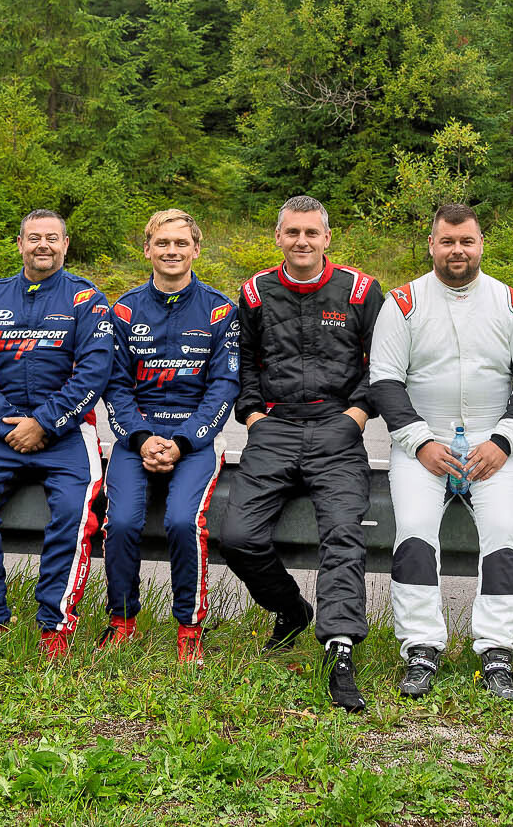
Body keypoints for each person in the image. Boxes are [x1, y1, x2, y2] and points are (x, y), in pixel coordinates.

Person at [369, 204, 513, 702]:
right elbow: (384, 379)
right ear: (431, 244)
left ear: (481, 244)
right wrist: (420, 442)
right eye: (447, 241)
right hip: (423, 444)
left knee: (504, 535)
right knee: (414, 532)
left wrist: (504, 441)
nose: (457, 251)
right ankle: (421, 647)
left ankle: (499, 650)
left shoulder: (512, 303)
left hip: (493, 444)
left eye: (466, 241)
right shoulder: (403, 302)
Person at [214, 195, 385, 714]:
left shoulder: (360, 290)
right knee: (237, 537)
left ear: (327, 237)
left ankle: (340, 649)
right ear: (278, 237)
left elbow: (384, 362)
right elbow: (244, 360)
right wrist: (252, 416)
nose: (302, 241)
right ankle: (291, 609)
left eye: (312, 232)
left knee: (342, 534)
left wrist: (357, 414)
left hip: (337, 429)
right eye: (293, 232)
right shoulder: (255, 291)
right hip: (276, 428)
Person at [0, 210, 115, 658]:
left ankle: (55, 624)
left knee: (73, 516)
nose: (44, 245)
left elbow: (95, 372)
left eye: (52, 238)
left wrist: (44, 422)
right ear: (19, 243)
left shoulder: (87, 299)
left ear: (65, 244)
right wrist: (6, 422)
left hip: (67, 432)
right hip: (0, 431)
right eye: (34, 237)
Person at [97, 209, 239, 665]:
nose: (171, 251)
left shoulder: (221, 310)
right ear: (147, 250)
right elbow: (114, 385)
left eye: (181, 243)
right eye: (162, 243)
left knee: (182, 522)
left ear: (196, 249)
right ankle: (122, 621)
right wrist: (141, 439)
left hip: (194, 439)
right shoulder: (123, 309)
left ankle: (189, 627)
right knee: (120, 523)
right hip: (136, 436)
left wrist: (183, 441)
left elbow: (224, 387)